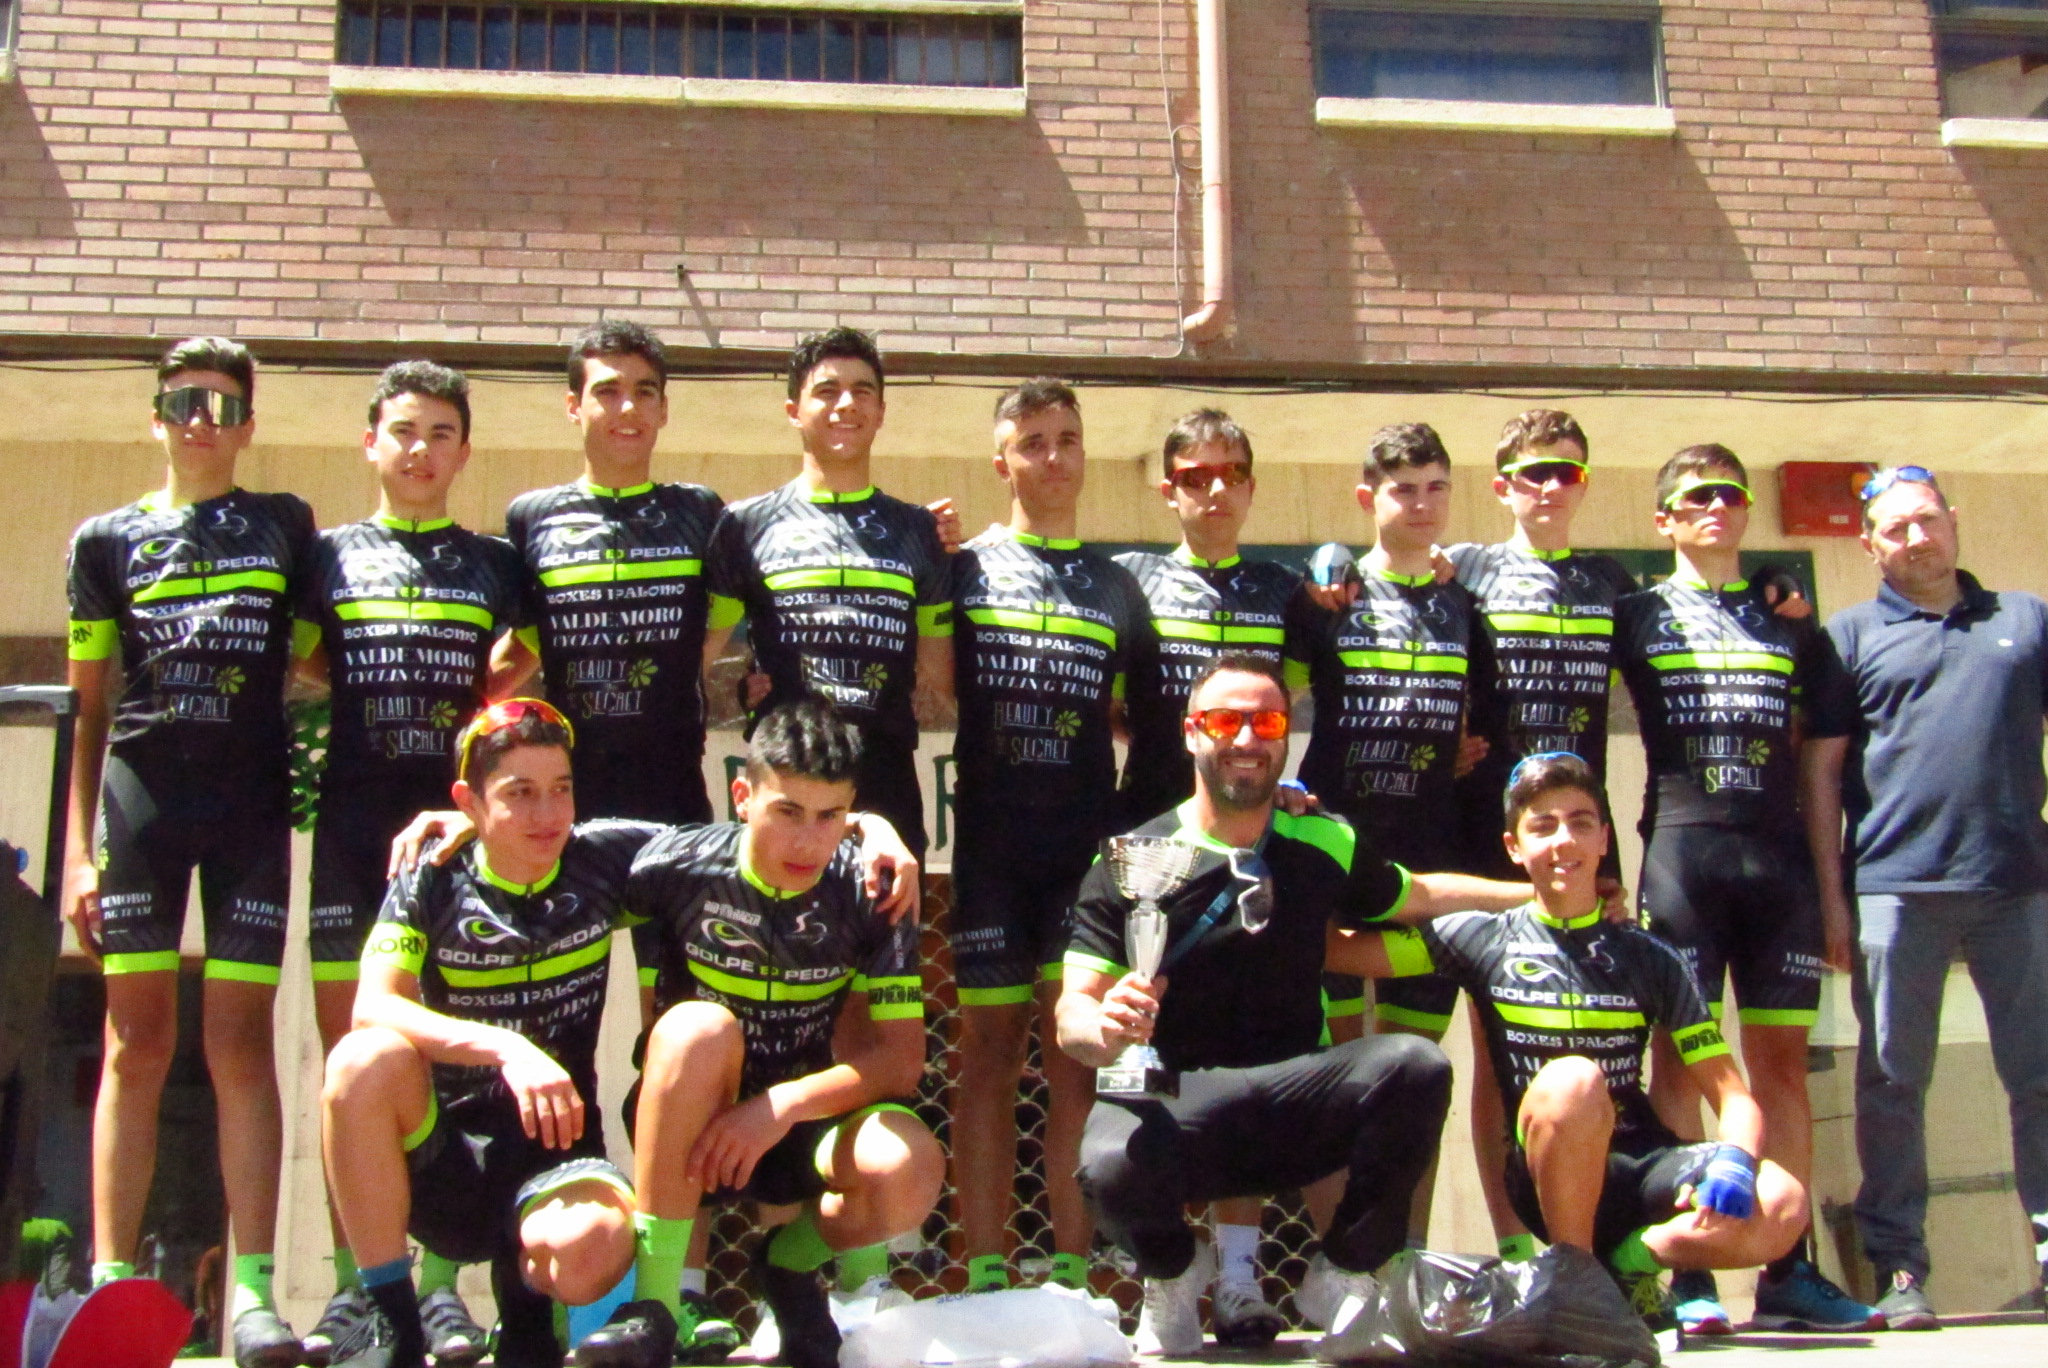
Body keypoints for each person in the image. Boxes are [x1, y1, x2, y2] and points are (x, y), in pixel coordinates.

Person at [1056, 653, 1537, 1356]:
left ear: (1287, 736)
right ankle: (1173, 1274)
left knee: (1416, 1066)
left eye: (1267, 722)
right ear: (1191, 732)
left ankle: (1344, 1272)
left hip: (1295, 1104)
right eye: (1225, 720)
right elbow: (1072, 1012)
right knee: (1107, 1164)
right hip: (1182, 1107)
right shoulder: (1131, 859)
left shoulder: (1323, 837)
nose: (1247, 738)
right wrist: (1103, 1028)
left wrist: (1540, 896)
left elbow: (1419, 896)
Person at [1326, 752, 1808, 1338]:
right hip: (1544, 1170)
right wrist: (1297, 845)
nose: (1564, 841)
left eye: (1580, 823)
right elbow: (1337, 951)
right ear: (1514, 846)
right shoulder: (1478, 935)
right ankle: (1578, 1284)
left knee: (1784, 1201)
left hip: (1643, 1168)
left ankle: (1624, 1264)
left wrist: (1735, 1160)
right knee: (1574, 1079)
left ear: (1603, 839)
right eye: (1543, 826)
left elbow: (1732, 1095)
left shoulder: (1650, 955)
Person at [62, 336, 314, 1368]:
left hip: (250, 806)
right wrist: (78, 853)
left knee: (240, 1043)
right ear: (155, 418)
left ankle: (251, 1288)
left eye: (220, 403)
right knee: (136, 1041)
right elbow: (87, 709)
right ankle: (110, 1281)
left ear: (248, 424)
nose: (201, 419)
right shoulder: (103, 540)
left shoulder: (285, 524)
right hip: (142, 804)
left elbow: (318, 655)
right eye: (182, 402)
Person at [1614, 444, 1880, 1333]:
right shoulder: (1634, 614)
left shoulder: (1790, 621)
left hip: (1778, 871)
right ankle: (1688, 1274)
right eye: (1696, 497)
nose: (1716, 507)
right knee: (1679, 1062)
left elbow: (1824, 764)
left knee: (1781, 1072)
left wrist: (1832, 895)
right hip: (1681, 862)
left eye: (1729, 494)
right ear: (1664, 520)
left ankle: (1786, 1269)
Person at [293, 361, 522, 1365]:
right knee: (353, 1053)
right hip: (352, 831)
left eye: (440, 432)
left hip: (454, 834)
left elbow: (520, 660)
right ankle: (360, 1290)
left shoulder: (494, 563)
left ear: (464, 451)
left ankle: (440, 1294)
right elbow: (303, 657)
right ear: (370, 443)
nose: (420, 448)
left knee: (450, 1056)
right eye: (403, 430)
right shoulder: (325, 558)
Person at [609, 699, 943, 1368]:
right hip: (692, 1119)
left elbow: (902, 1061)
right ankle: (655, 1307)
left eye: (830, 816)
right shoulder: (677, 861)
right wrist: (468, 823)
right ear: (742, 797)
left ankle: (787, 1266)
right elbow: (545, 851)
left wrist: (777, 1108)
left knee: (908, 1167)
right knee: (697, 1030)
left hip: (801, 1124)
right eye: (788, 812)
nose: (808, 841)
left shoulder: (874, 886)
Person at [1804, 465, 2048, 1329]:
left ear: (1953, 520)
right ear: (1869, 545)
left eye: (1926, 520)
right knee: (1891, 1085)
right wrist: (1833, 900)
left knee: (2040, 1078)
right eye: (1896, 529)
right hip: (1893, 889)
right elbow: (1821, 775)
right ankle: (1901, 1269)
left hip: (2017, 886)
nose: (1916, 538)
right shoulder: (1848, 636)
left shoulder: (2027, 619)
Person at [946, 380, 1155, 1296]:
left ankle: (1072, 1272)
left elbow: (1151, 722)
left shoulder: (1118, 585)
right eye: (1032, 441)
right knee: (987, 1059)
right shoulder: (961, 569)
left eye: (1067, 438)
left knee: (1077, 1064)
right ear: (1002, 461)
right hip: (990, 850)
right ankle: (983, 1270)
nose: (1053, 457)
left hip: (1083, 855)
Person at [1439, 408, 1641, 1272]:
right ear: (1502, 487)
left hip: (1584, 839)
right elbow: (1386, 591)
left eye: (1567, 472)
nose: (1551, 487)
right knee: (1498, 1051)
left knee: (1600, 1046)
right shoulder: (1467, 568)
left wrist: (1776, 592)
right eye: (1534, 473)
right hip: (1493, 839)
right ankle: (1516, 1243)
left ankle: (1591, 1246)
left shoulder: (1610, 581)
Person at [703, 327, 955, 861]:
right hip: (786, 784)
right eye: (827, 391)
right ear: (793, 411)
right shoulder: (743, 526)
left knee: (888, 920)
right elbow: (698, 656)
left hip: (886, 784)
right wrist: (740, 689)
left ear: (881, 412)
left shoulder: (918, 531)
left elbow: (945, 673)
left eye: (862, 391)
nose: (846, 404)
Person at [495, 321, 727, 826]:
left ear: (663, 409)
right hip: (568, 802)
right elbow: (524, 642)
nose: (627, 408)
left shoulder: (699, 511)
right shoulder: (531, 517)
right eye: (607, 391)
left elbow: (732, 612)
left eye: (644, 392)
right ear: (573, 405)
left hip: (676, 797)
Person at [1115, 409, 1297, 827]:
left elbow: (1298, 692)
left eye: (1233, 474)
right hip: (1150, 811)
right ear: (1169, 491)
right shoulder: (1128, 579)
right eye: (1196, 478)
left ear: (1251, 488)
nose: (1217, 489)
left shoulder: (1286, 589)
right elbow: (1103, 706)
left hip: (1251, 814)